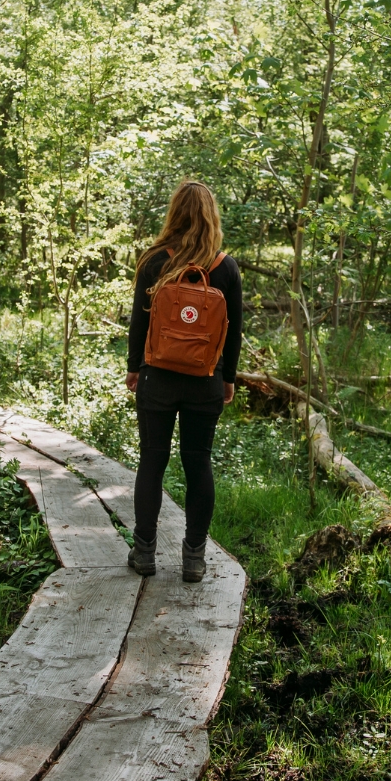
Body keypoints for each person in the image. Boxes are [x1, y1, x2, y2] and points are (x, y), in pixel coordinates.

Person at [125, 180, 243, 583]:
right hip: (204, 381)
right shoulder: (225, 266)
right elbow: (234, 330)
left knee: (152, 462)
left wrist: (134, 367)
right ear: (211, 215)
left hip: (157, 376)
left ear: (174, 213)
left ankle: (144, 552)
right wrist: (228, 379)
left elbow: (140, 320)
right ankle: (193, 558)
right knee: (198, 464)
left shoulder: (155, 260)